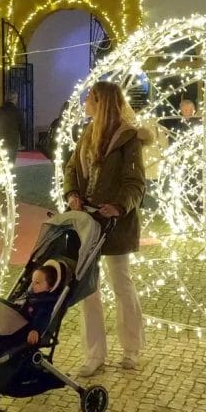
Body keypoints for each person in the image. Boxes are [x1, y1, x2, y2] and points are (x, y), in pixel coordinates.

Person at [63, 81, 151, 375]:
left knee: (121, 282)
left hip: (115, 223)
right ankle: (95, 352)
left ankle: (131, 348)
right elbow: (71, 168)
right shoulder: (88, 134)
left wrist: (119, 206)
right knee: (89, 287)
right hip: (88, 220)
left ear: (102, 102)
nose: (86, 102)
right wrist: (72, 194)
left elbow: (136, 182)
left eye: (90, 98)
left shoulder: (128, 138)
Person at [0, 91, 24, 164]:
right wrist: (23, 141)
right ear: (14, 98)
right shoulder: (17, 111)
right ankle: (8, 174)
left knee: (0, 160)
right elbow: (22, 127)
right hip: (12, 139)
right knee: (10, 160)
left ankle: (0, 173)